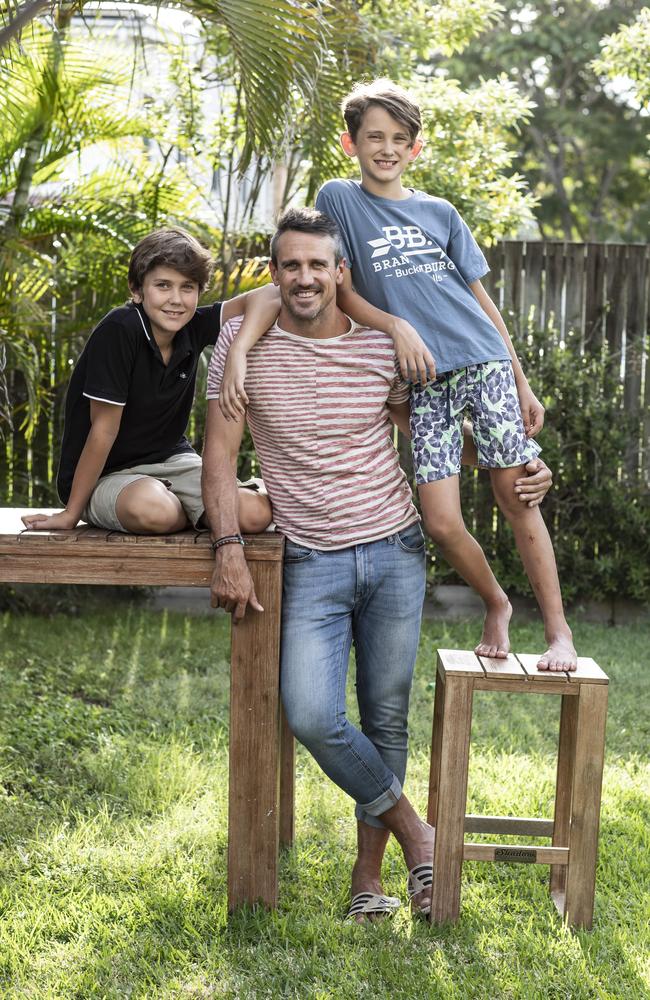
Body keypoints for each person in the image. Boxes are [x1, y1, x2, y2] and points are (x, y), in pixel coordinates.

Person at [202, 208, 553, 922]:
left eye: (317, 265)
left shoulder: (381, 348)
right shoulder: (243, 347)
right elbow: (217, 459)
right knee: (312, 712)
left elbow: (433, 447)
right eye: (290, 265)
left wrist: (519, 461)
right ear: (276, 274)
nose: (304, 278)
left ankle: (372, 881)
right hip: (311, 562)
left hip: (395, 551)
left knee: (386, 719)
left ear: (341, 273)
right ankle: (421, 836)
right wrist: (228, 549)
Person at [312, 80, 576, 672]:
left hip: (483, 362)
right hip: (424, 380)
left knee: (516, 494)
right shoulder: (340, 200)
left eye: (399, 139)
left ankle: (559, 632)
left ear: (415, 149)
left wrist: (521, 380)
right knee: (440, 520)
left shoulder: (440, 212)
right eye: (374, 137)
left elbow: (481, 302)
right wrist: (397, 327)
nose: (386, 149)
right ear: (350, 143)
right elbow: (343, 291)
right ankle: (496, 602)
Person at [21, 228, 275, 535]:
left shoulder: (193, 327)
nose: (177, 300)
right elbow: (103, 430)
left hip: (172, 462)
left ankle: (192, 507)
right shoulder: (119, 330)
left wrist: (238, 349)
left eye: (188, 287)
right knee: (156, 511)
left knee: (254, 515)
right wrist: (71, 513)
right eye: (163, 286)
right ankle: (193, 510)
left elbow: (271, 294)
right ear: (137, 289)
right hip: (108, 474)